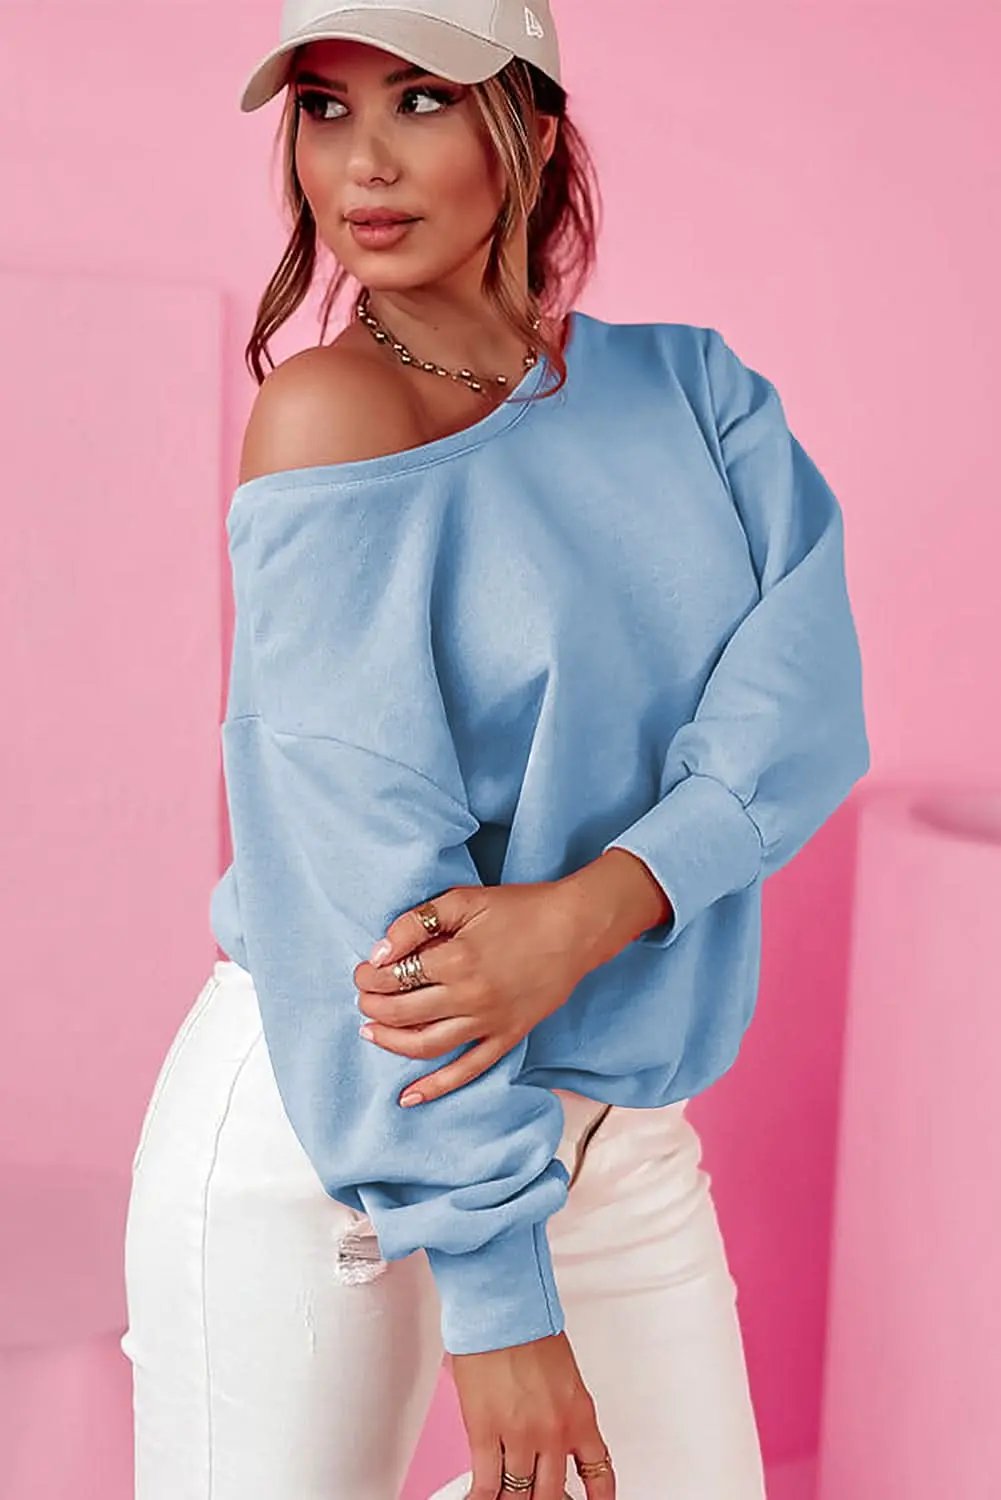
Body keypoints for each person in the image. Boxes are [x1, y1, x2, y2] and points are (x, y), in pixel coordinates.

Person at [119, 0, 871, 1496]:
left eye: (419, 99)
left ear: (529, 123)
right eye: (323, 108)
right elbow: (361, 874)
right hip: (346, 1119)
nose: (361, 162)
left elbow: (803, 711)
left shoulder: (693, 392)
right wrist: (495, 1292)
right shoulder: (330, 413)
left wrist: (592, 909)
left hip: (616, 1128)